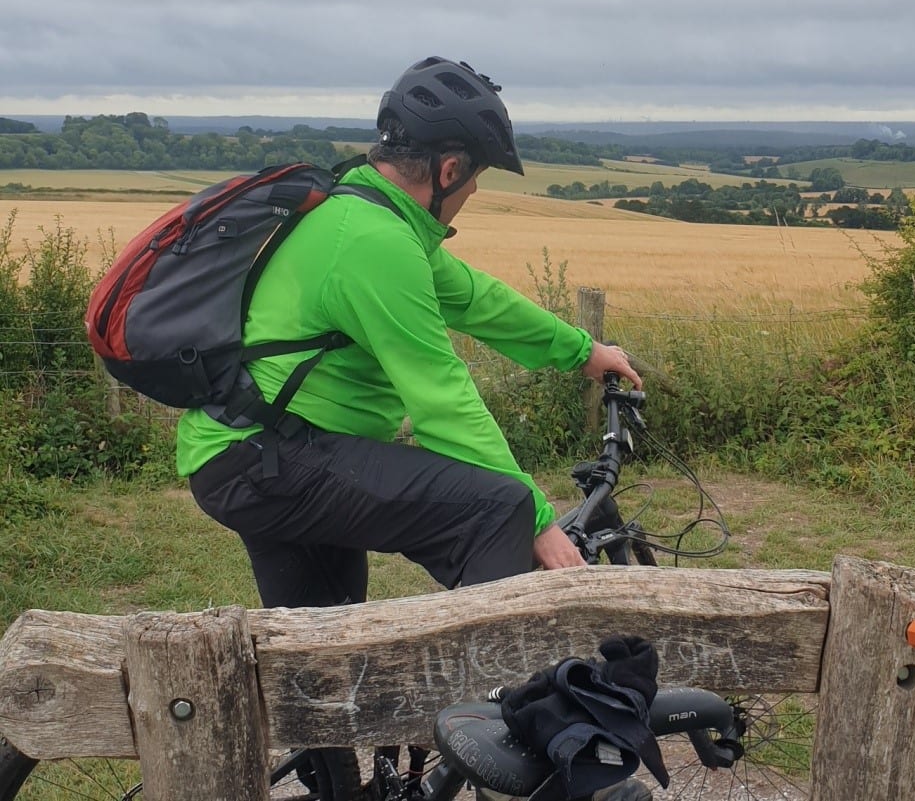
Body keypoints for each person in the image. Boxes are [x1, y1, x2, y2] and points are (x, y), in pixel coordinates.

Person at [178, 55, 642, 610]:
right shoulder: (375, 243)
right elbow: (440, 399)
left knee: (325, 637)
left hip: (259, 451)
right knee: (499, 508)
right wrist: (538, 519)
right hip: (268, 457)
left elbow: (475, 297)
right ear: (449, 171)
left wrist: (582, 351)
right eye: (476, 178)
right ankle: (496, 688)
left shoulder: (367, 215)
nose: (472, 192)